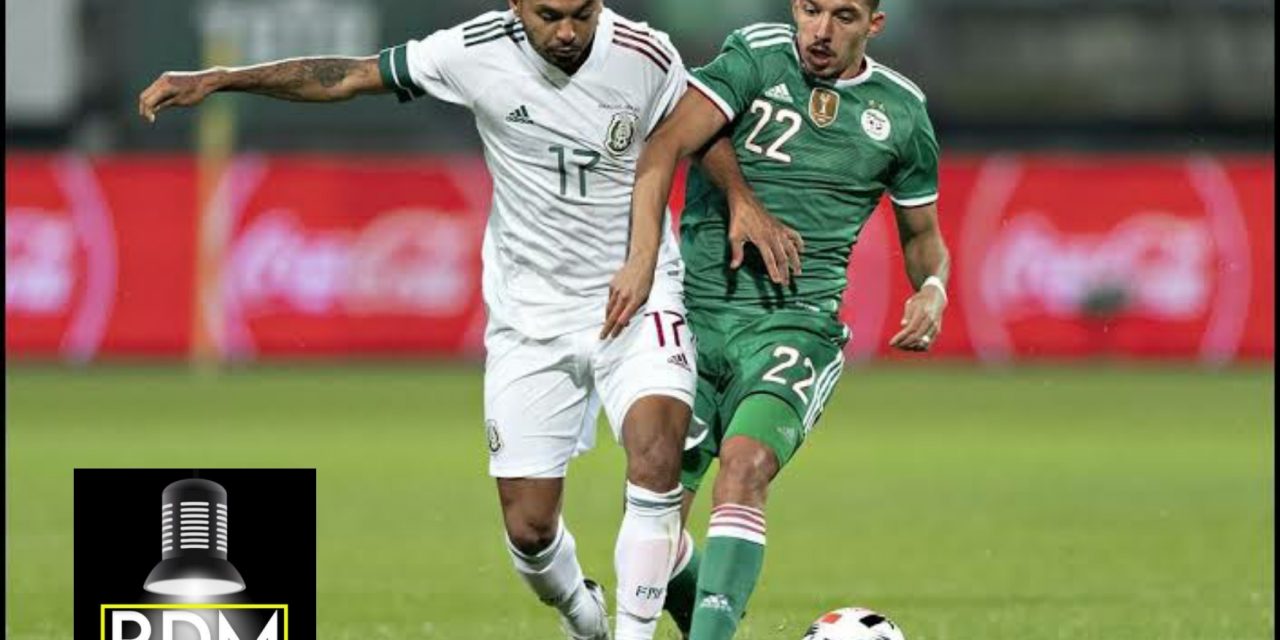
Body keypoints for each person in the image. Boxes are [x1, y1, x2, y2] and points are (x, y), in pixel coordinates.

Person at [139, 2, 723, 638]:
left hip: (637, 295)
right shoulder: (472, 51)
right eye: (549, 15)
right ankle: (585, 617)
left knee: (657, 454)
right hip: (530, 317)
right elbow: (349, 75)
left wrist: (741, 202)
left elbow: (701, 130)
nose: (566, 32)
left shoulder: (647, 55)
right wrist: (222, 76)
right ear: (516, 5)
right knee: (529, 530)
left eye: (581, 14)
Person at [601, 0, 952, 637]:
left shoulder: (901, 112)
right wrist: (667, 246)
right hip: (694, 320)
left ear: (874, 24)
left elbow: (922, 233)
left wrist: (931, 285)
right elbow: (667, 143)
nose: (820, 31)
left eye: (843, 16)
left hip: (795, 328)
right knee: (658, 517)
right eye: (810, 9)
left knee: (745, 463)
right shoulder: (755, 54)